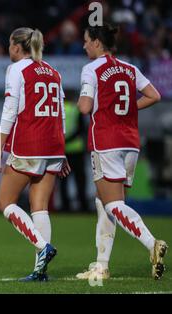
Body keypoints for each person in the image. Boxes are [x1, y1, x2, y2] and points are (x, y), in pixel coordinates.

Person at [75, 23, 167, 281]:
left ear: (96, 42)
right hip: (130, 143)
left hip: (106, 141)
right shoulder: (129, 68)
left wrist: (80, 100)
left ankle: (152, 244)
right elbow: (154, 95)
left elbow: (84, 107)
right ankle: (101, 266)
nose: (83, 46)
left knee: (113, 204)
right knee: (104, 203)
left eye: (86, 41)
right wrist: (128, 109)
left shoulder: (91, 69)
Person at [0, 27, 70, 282]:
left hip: (30, 144)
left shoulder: (17, 69)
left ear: (16, 47)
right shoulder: (54, 72)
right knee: (40, 207)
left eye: (9, 45)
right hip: (54, 146)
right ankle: (40, 272)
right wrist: (63, 150)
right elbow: (61, 113)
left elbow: (10, 110)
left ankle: (42, 246)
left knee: (5, 202)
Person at [59, 96, 89, 212]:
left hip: (62, 150)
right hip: (77, 150)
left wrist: (63, 141)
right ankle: (83, 206)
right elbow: (82, 129)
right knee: (80, 180)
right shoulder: (75, 109)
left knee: (63, 180)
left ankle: (65, 207)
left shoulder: (58, 109)